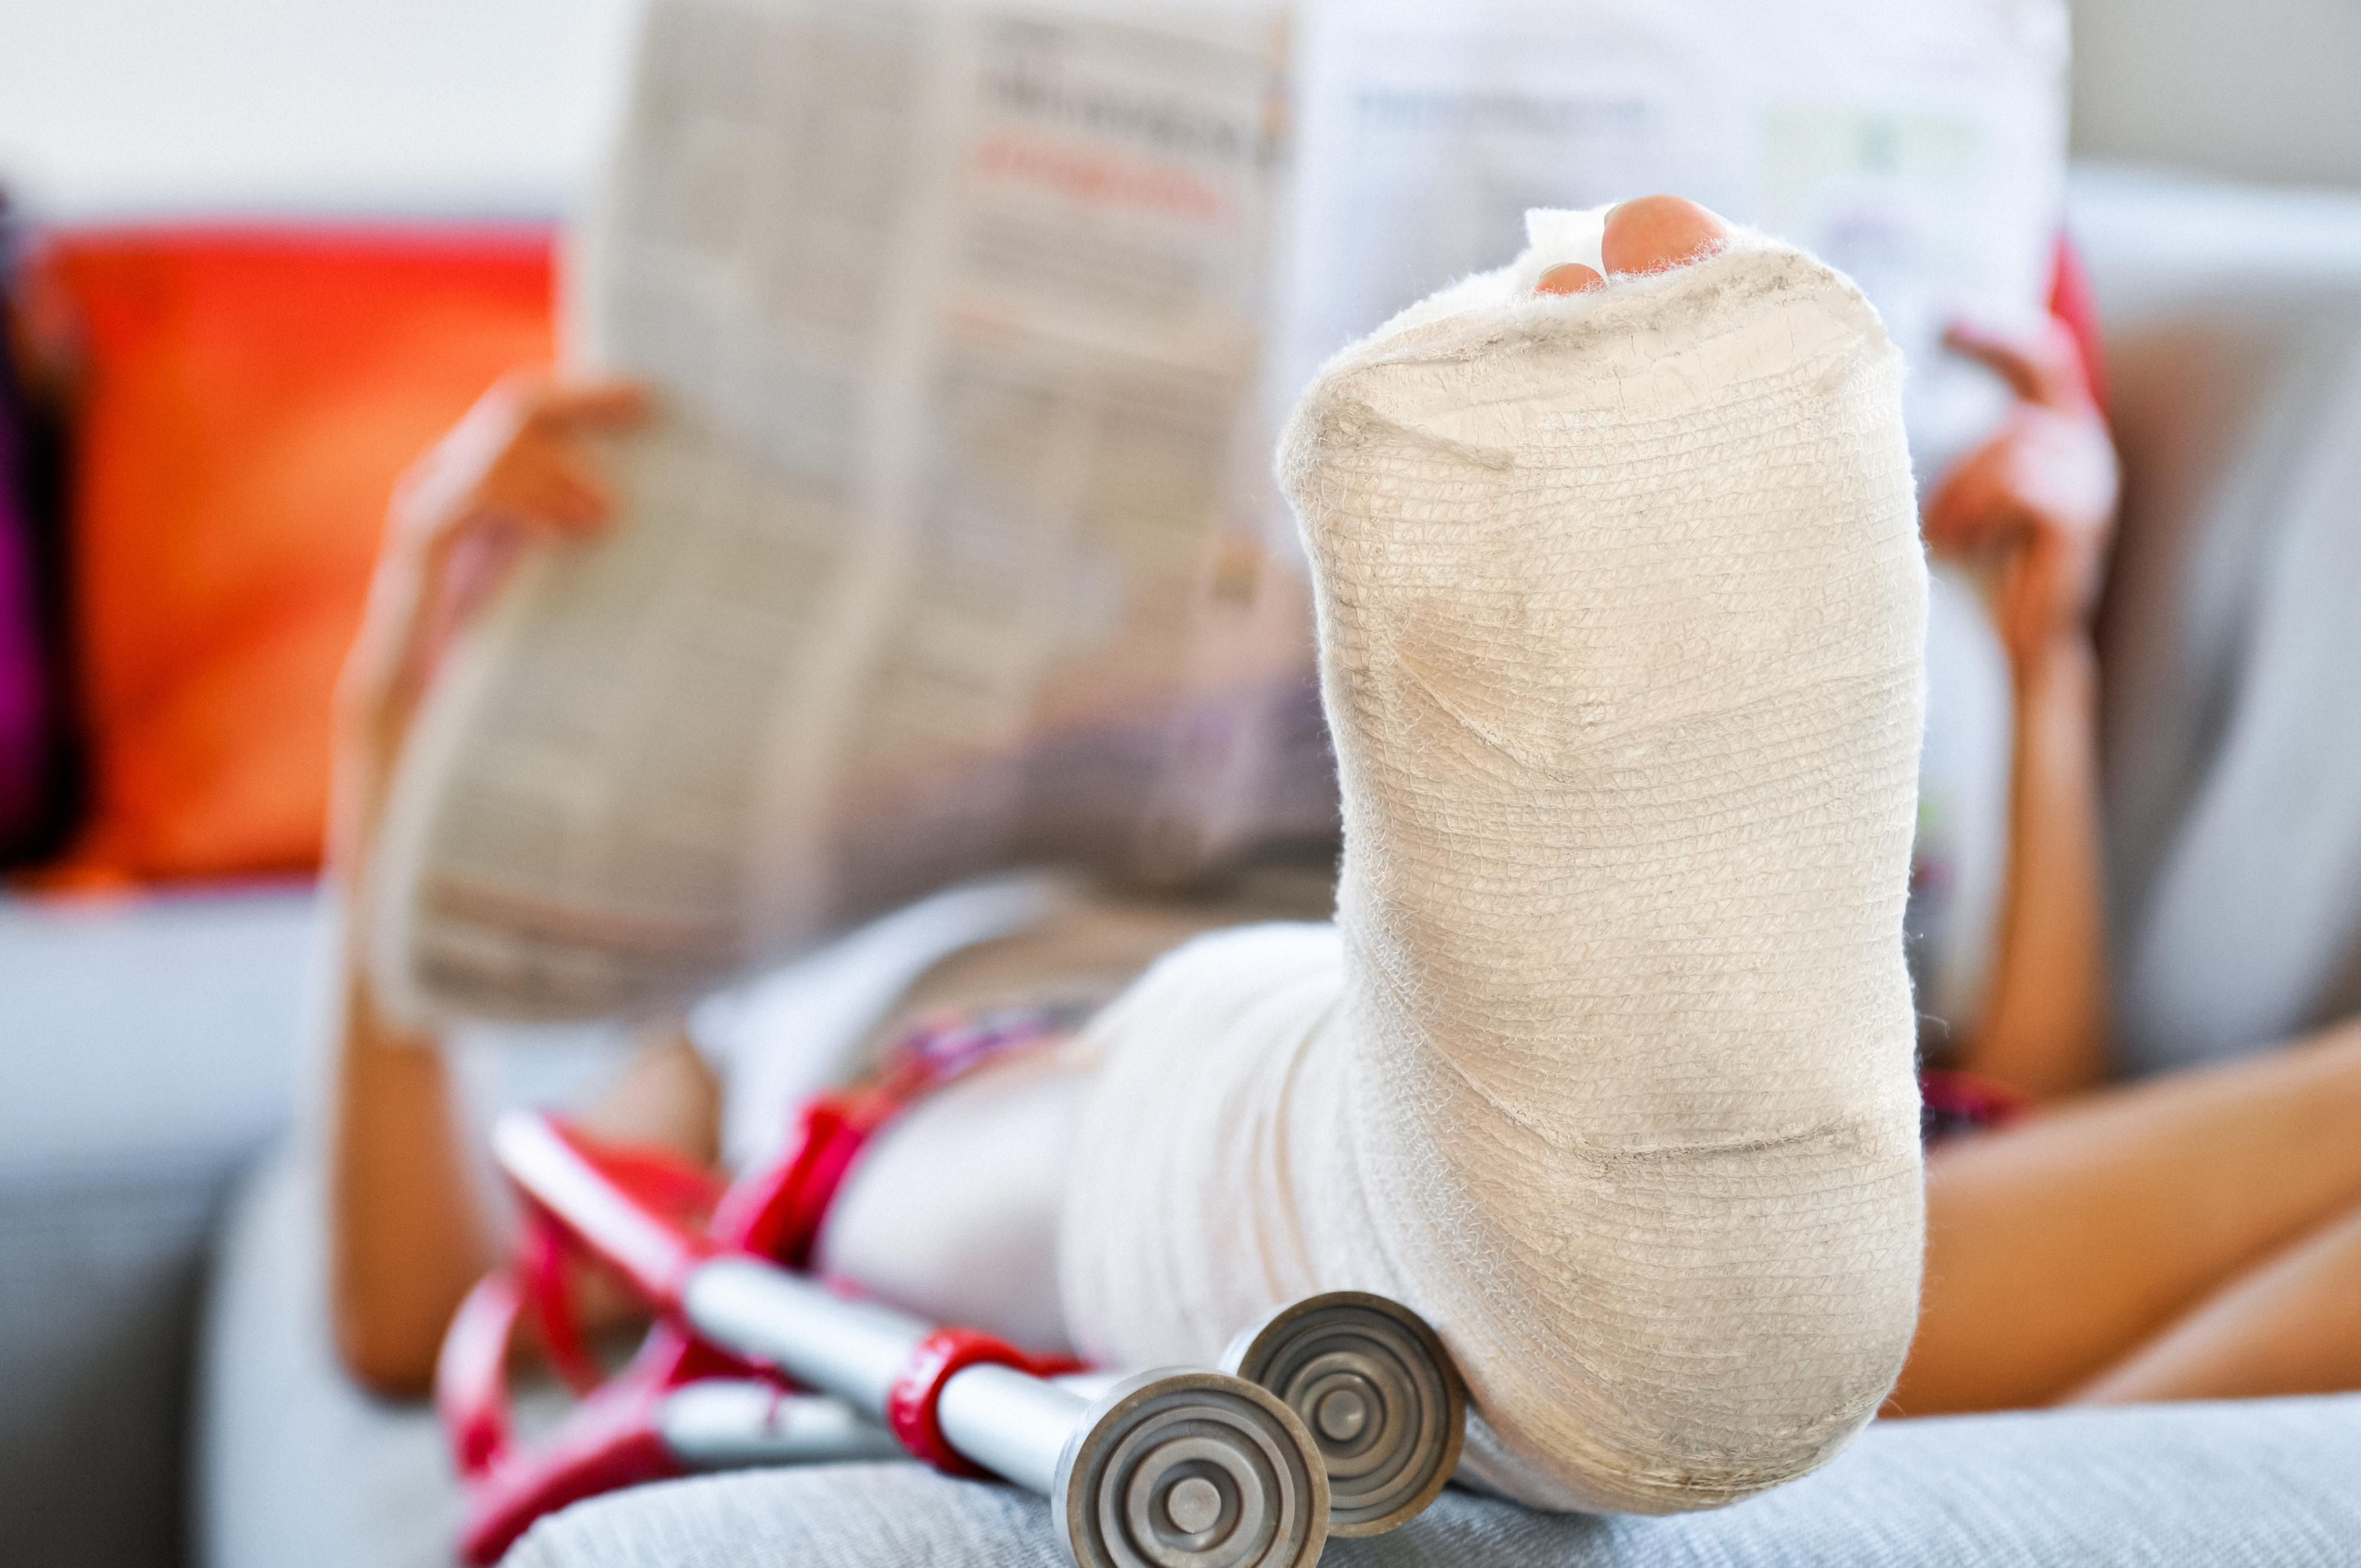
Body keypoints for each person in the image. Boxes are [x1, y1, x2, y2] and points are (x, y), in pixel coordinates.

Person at [324, 194, 2361, 1497]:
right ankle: (1446, 1169)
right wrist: (388, 744)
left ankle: (1630, 1270)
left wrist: (2044, 664)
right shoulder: (789, 942)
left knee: (1798, 1191)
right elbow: (418, 1312)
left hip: (1826, 1150)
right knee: (1036, 1111)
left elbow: (2042, 1091)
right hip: (1028, 1064)